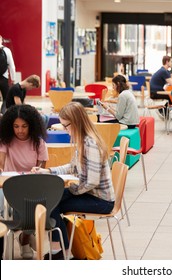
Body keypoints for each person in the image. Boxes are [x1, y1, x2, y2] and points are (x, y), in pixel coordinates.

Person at [31, 102, 115, 260]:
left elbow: (92, 182)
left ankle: (61, 251)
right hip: (91, 194)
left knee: (52, 200)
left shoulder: (90, 144)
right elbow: (72, 167)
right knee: (51, 199)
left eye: (66, 126)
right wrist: (49, 170)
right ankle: (62, 250)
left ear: (76, 123)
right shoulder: (83, 141)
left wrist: (71, 191)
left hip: (101, 200)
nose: (65, 129)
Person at [0, 104, 48, 259]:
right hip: (9, 185)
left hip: (31, 186)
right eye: (16, 126)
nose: (20, 130)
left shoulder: (39, 143)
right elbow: (0, 163)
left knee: (34, 206)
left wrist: (37, 170)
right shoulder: (6, 141)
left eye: (24, 126)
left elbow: (41, 169)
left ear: (31, 125)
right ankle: (24, 235)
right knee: (5, 206)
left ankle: (25, 239)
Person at [0, 35, 16, 114]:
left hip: (4, 77)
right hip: (4, 78)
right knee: (6, 98)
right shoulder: (6, 50)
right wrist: (13, 79)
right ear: (2, 40)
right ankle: (3, 114)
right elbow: (12, 66)